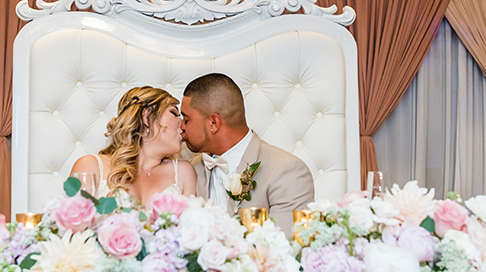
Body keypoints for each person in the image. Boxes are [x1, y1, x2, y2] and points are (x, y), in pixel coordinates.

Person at [179, 73, 314, 235]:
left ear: (213, 123)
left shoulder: (287, 172)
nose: (181, 127)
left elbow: (287, 248)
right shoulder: (188, 171)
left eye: (186, 119)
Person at [70, 86, 197, 209]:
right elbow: (74, 226)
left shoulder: (182, 172)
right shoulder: (91, 166)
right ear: (147, 117)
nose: (182, 123)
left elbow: (193, 227)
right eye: (174, 113)